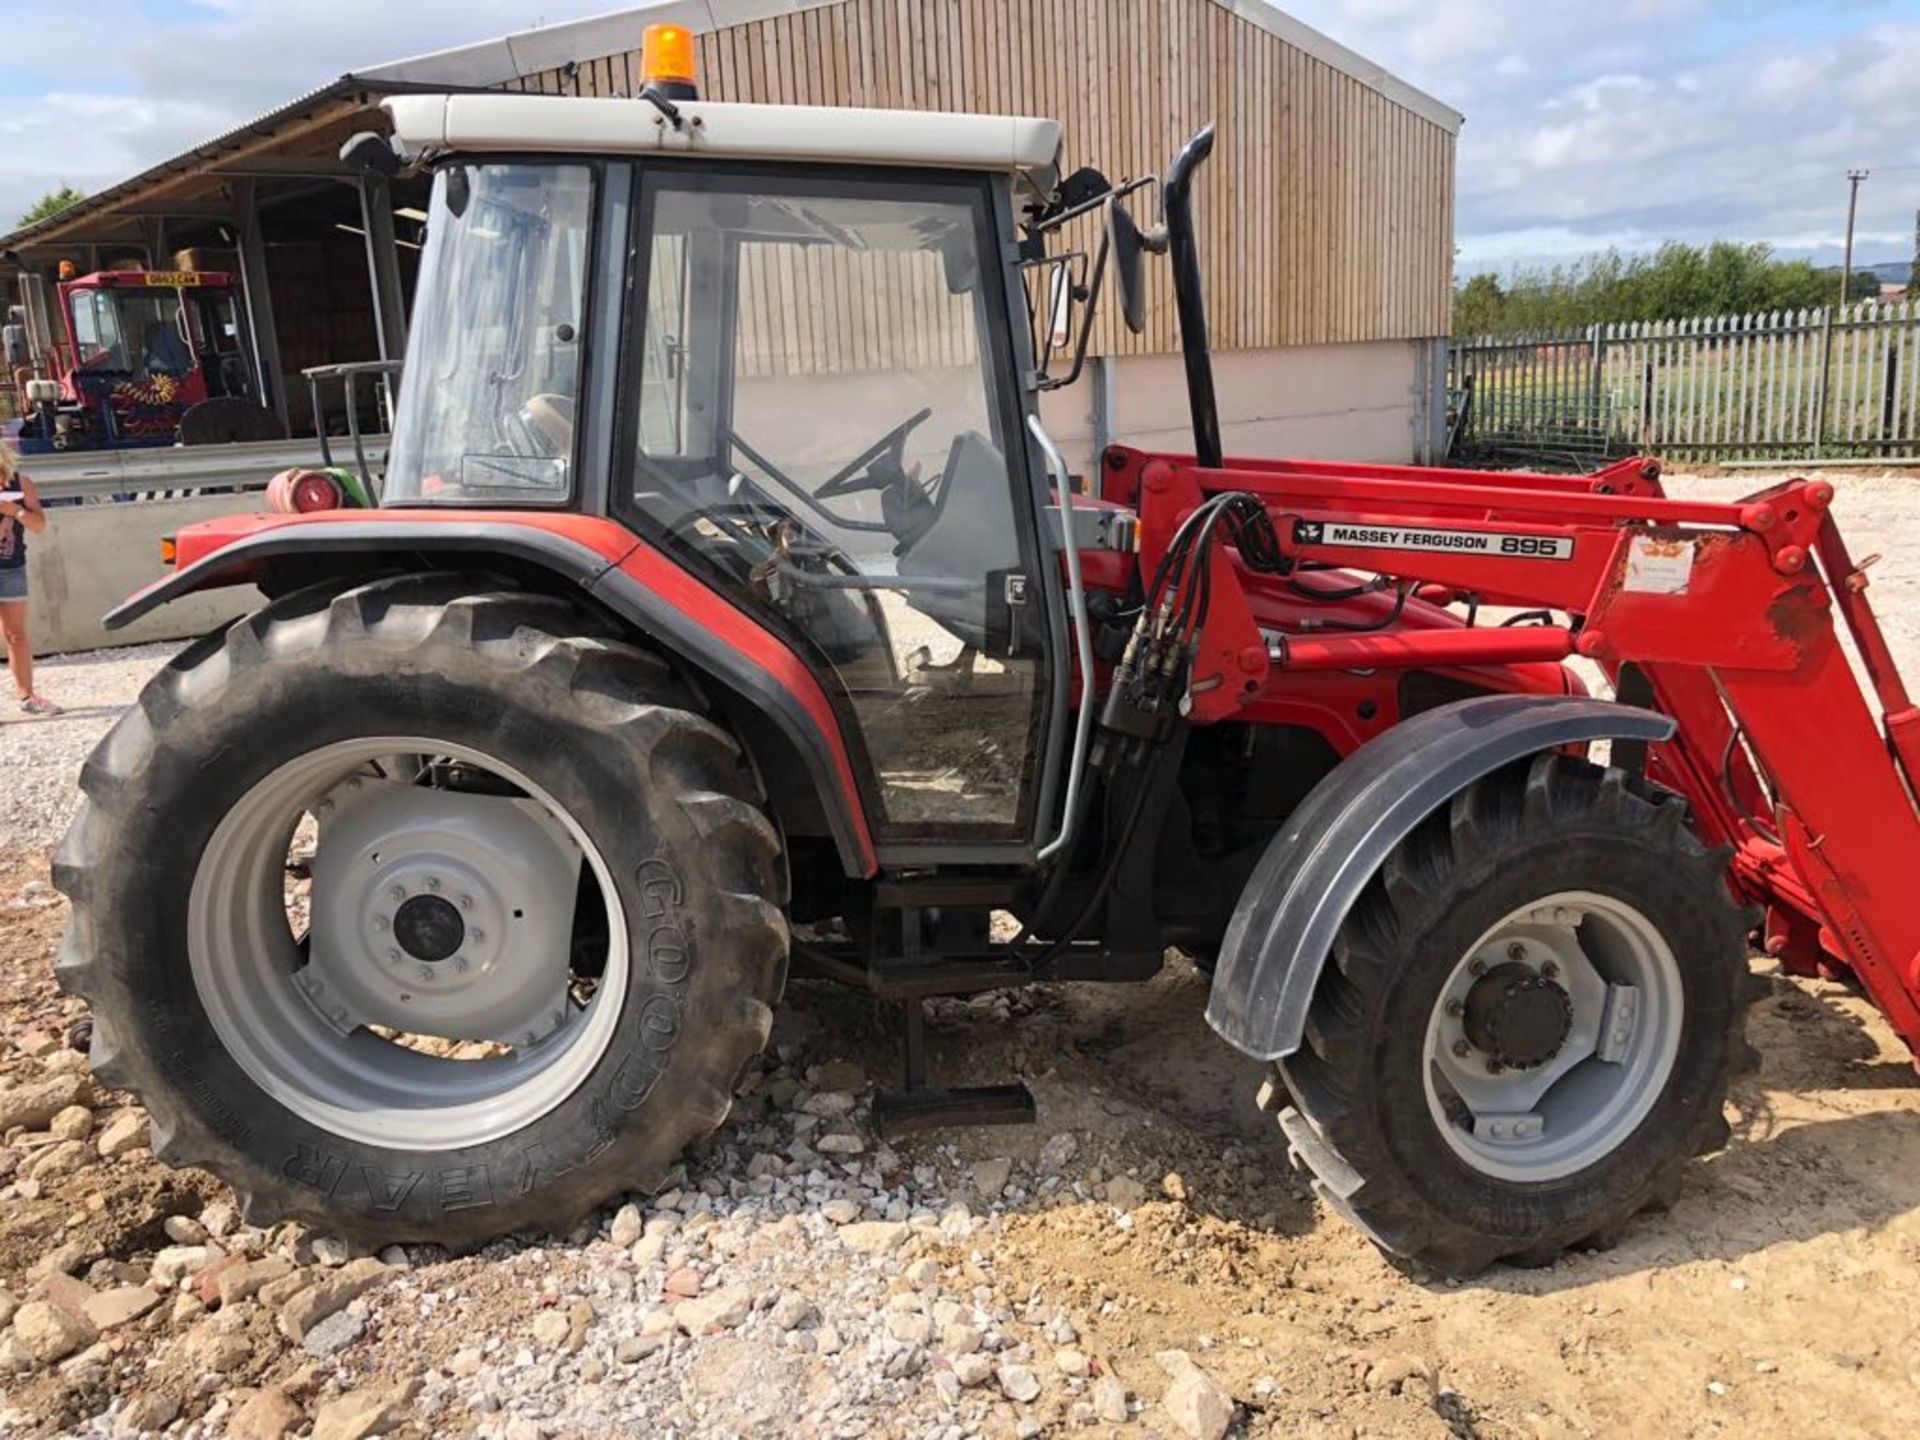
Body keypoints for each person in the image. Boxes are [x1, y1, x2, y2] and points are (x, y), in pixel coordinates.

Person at [0, 446, 59, 716]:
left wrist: (15, 511)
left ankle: (27, 696)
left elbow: (39, 524)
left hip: (12, 567)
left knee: (16, 635)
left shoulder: (20, 482)